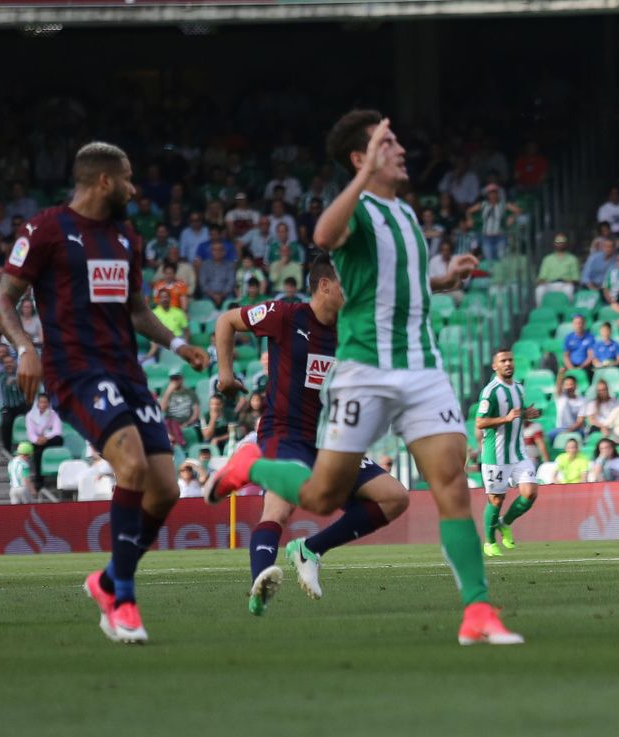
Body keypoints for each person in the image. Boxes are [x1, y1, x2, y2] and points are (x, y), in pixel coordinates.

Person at [206, 110, 520, 645]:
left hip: (420, 366)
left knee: (448, 487)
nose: (400, 149)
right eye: (387, 142)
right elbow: (324, 233)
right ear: (361, 157)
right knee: (323, 496)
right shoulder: (359, 211)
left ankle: (477, 611)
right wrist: (360, 179)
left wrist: (444, 281)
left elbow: (404, 281)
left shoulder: (406, 216)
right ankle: (251, 467)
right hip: (366, 370)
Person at [0, 141, 212, 643]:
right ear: (104, 182)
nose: (137, 188)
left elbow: (136, 311)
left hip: (127, 372)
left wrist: (180, 344)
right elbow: (6, 300)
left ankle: (108, 579)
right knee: (131, 466)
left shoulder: (126, 239)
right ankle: (124, 603)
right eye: (130, 178)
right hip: (77, 372)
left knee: (165, 490)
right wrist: (26, 347)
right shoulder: (45, 229)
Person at [212, 255, 410, 614]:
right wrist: (225, 374)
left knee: (394, 497)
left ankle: (311, 550)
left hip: (330, 440)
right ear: (325, 285)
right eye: (345, 284)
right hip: (284, 433)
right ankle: (260, 585)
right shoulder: (284, 316)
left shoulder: (351, 329)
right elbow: (226, 320)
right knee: (280, 506)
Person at [472, 349, 543, 557]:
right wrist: (505, 419)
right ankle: (489, 541)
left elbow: (516, 415)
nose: (508, 363)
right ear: (495, 366)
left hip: (518, 452)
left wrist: (527, 414)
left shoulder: (519, 388)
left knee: (530, 492)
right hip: (496, 454)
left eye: (510, 360)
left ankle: (504, 523)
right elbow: (480, 422)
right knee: (496, 500)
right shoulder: (490, 392)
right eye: (503, 361)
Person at [24, 392, 64, 491]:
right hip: (37, 442)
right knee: (38, 452)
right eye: (41, 402)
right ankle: (39, 481)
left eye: (45, 402)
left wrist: (45, 437)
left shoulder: (53, 414)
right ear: (37, 403)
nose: (43, 405)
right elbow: (30, 433)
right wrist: (37, 440)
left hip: (48, 440)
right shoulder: (30, 416)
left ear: (48, 403)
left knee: (59, 439)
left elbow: (57, 431)